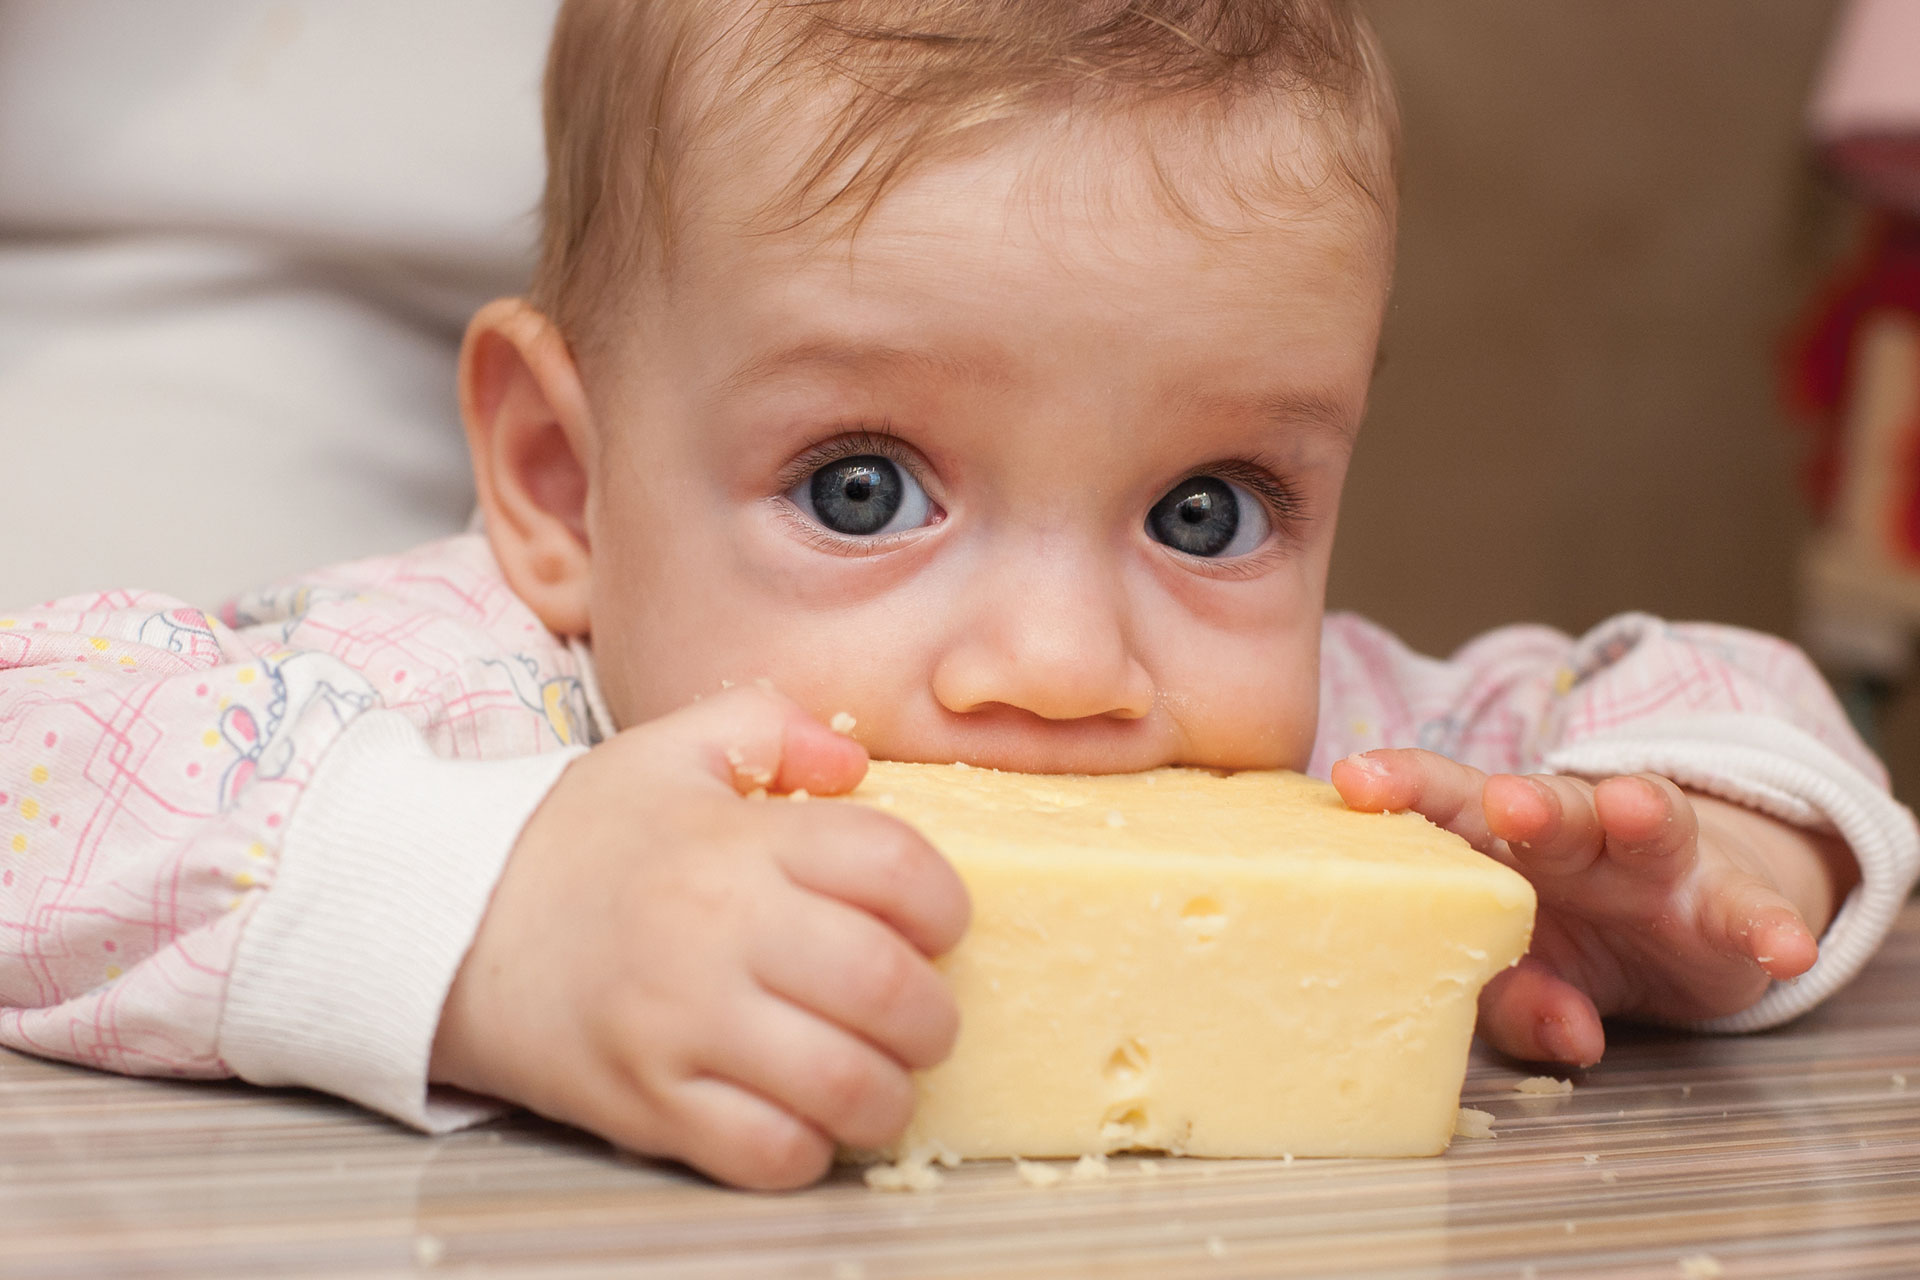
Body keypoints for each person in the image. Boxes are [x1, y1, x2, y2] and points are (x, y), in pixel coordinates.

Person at [1, 0, 1914, 1192]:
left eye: (1207, 507)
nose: (1069, 671)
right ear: (561, 485)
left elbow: (1692, 684)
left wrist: (1705, 859)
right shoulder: (470, 708)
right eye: (862, 489)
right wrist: (487, 920)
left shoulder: (1334, 752)